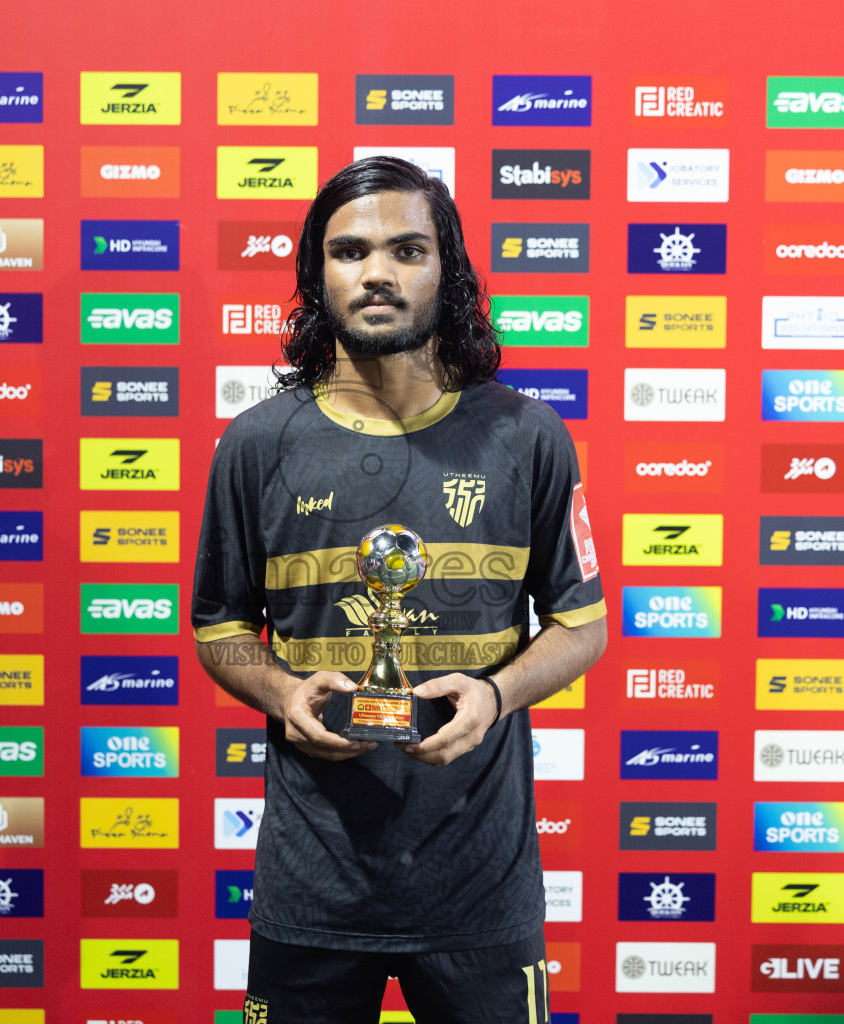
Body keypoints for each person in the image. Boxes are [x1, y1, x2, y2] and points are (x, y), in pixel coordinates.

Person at [192, 156, 607, 1023]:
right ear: (317, 275)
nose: (377, 272)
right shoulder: (256, 445)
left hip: (480, 888)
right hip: (313, 884)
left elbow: (582, 626)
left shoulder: (527, 436)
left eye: (407, 250)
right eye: (350, 251)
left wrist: (495, 695)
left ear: (446, 271)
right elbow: (220, 628)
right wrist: (282, 692)